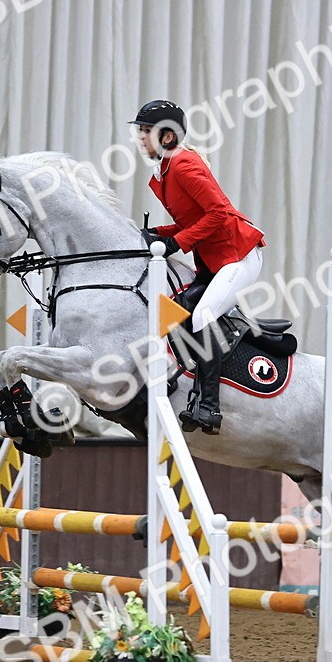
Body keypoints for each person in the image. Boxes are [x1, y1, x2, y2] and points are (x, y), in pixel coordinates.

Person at [130, 99, 265, 435]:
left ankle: (209, 407)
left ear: (166, 136)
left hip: (238, 256)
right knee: (175, 313)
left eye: (146, 132)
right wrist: (153, 234)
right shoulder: (163, 171)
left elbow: (219, 213)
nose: (140, 138)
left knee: (203, 315)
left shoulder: (184, 165)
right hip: (212, 261)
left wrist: (178, 244)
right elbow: (192, 220)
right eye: (140, 132)